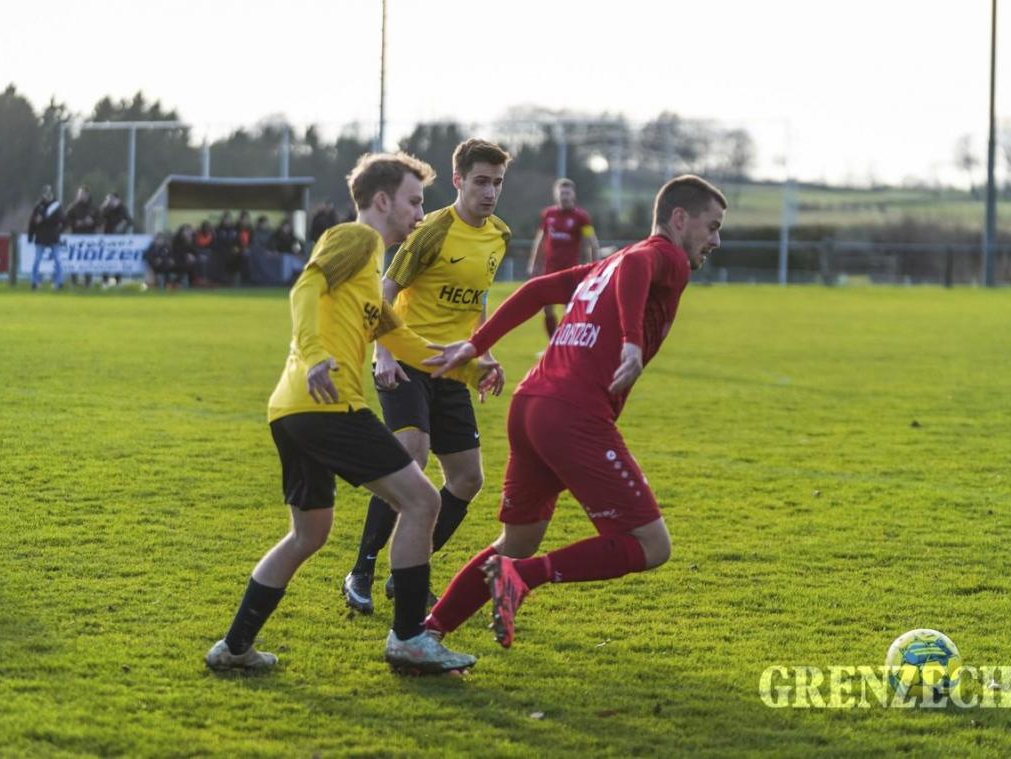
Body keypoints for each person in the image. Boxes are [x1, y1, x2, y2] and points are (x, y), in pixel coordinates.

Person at [205, 152, 496, 676]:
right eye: (413, 201)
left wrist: (473, 372)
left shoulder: (367, 275)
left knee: (308, 535)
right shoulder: (357, 239)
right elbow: (304, 287)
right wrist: (317, 355)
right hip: (330, 405)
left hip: (293, 411)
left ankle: (235, 646)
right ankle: (409, 638)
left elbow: (403, 340)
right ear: (382, 200)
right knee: (423, 500)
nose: (419, 213)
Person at [418, 175, 727, 653]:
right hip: (571, 415)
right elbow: (641, 267)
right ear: (680, 219)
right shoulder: (663, 256)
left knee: (516, 540)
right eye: (712, 226)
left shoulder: (611, 260)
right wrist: (629, 340)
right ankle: (522, 578)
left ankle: (428, 632)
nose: (716, 240)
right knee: (651, 545)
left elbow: (538, 289)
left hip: (531, 406)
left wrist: (476, 344)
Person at [342, 138, 512, 615]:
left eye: (497, 183)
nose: (490, 192)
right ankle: (363, 569)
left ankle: (406, 568)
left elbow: (476, 304)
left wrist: (485, 355)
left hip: (452, 367)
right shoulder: (431, 230)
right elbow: (387, 288)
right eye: (481, 181)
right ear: (458, 180)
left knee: (467, 479)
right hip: (407, 361)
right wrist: (385, 352)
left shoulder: (499, 235)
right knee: (410, 459)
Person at [526, 178, 599, 337]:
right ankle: (553, 344)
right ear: (556, 194)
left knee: (571, 308)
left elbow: (591, 243)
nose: (564, 196)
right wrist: (534, 263)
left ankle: (569, 343)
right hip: (550, 269)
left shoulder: (581, 217)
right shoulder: (548, 214)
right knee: (547, 307)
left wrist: (594, 266)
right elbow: (541, 240)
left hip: (570, 271)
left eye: (567, 192)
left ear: (573, 195)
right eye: (562, 192)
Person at [27, 185, 65, 291]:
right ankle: (35, 282)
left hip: (54, 237)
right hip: (41, 237)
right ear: (43, 195)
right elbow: (32, 223)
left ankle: (59, 282)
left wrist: (58, 231)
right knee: (37, 260)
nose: (48, 196)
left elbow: (63, 220)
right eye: (46, 194)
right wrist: (30, 235)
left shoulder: (57, 206)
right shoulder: (38, 207)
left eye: (49, 194)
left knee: (58, 260)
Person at [65, 185, 100, 286]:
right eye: (80, 194)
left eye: (83, 194)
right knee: (74, 261)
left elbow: (101, 221)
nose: (81, 196)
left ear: (88, 195)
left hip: (90, 237)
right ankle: (74, 282)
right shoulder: (73, 207)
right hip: (76, 237)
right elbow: (66, 220)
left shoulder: (94, 207)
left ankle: (88, 282)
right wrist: (76, 223)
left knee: (88, 261)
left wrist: (92, 222)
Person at [100, 192, 134, 286]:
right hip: (107, 238)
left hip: (119, 240)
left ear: (118, 200)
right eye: (109, 199)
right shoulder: (106, 208)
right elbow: (99, 218)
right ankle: (105, 281)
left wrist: (123, 224)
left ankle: (117, 281)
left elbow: (130, 221)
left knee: (118, 260)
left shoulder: (123, 208)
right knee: (106, 260)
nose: (111, 201)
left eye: (112, 199)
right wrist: (105, 206)